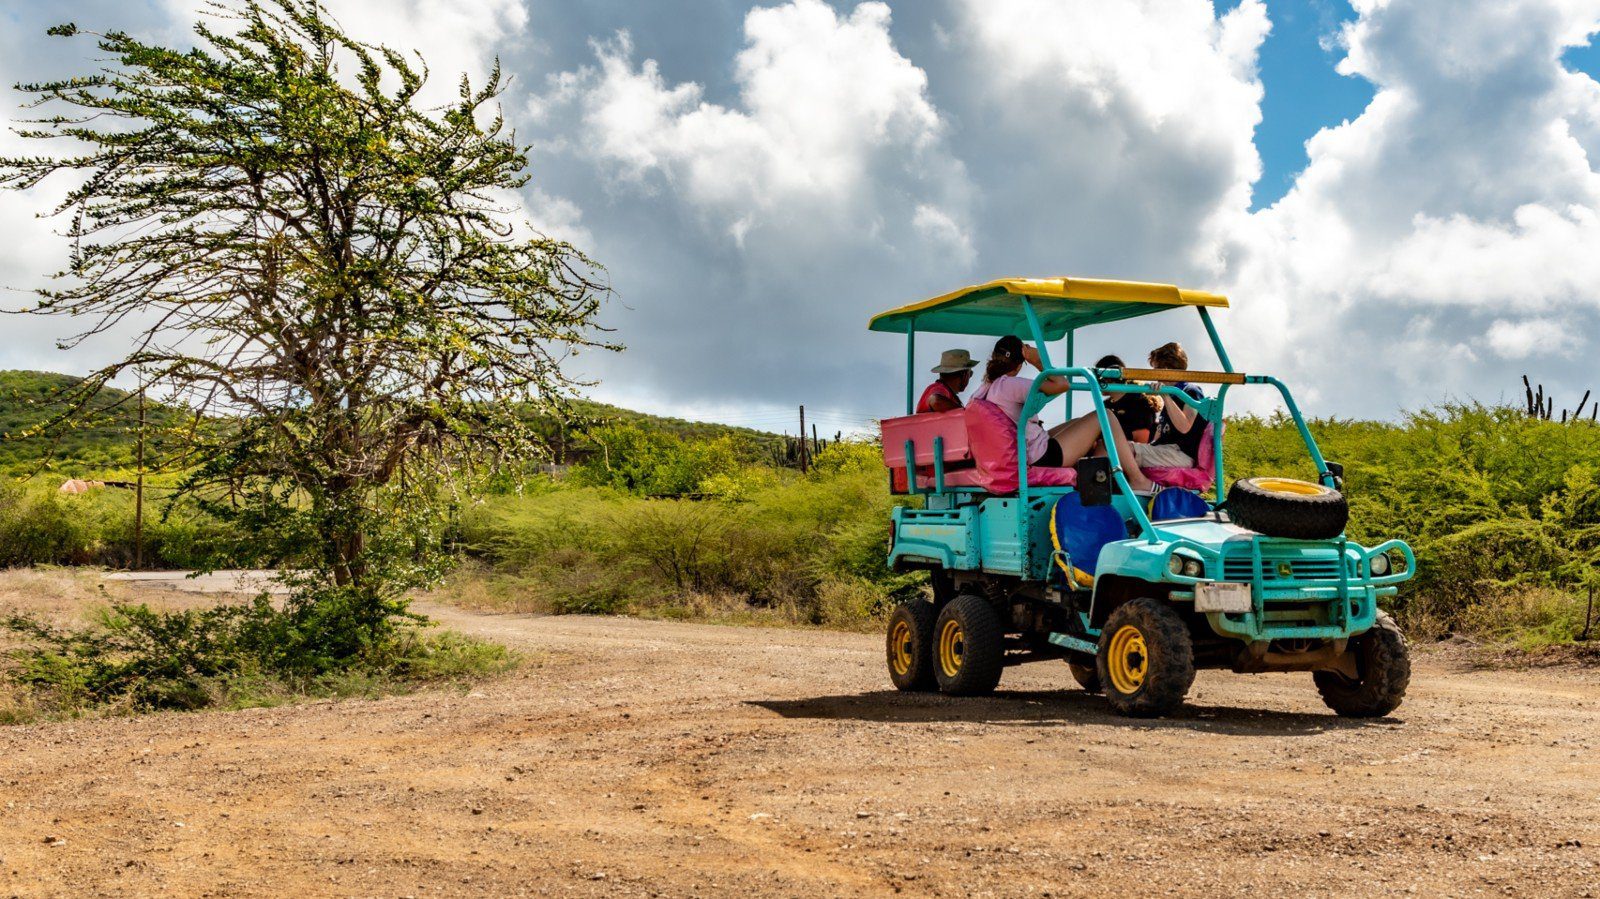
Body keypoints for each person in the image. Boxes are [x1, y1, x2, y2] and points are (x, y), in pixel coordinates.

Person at [1137, 341, 1208, 469]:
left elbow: (1184, 426)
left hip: (1180, 454)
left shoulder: (1190, 391)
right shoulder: (1172, 397)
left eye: (1156, 370)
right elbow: (1158, 438)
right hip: (1165, 450)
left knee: (1124, 450)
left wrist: (1165, 395)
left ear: (1166, 369)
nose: (1155, 376)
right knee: (1117, 448)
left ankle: (1139, 482)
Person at [1094, 354, 1159, 444]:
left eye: (1097, 378)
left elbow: (1142, 440)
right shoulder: (1106, 405)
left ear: (1109, 377)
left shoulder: (1139, 402)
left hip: (1124, 454)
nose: (1096, 382)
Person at [917, 349, 977, 413]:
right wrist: (965, 413)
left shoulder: (946, 392)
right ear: (964, 375)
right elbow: (935, 400)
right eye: (970, 374)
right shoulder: (939, 388)